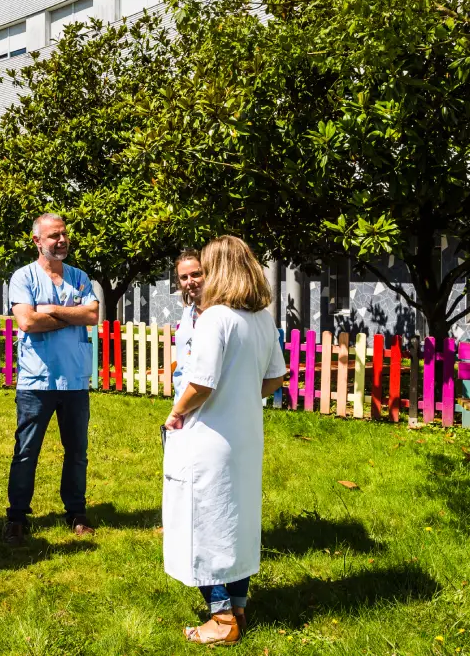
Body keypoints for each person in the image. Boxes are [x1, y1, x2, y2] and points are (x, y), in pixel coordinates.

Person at [162, 236, 286, 645]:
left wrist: (177, 412)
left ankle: (221, 620)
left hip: (208, 437)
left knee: (205, 522)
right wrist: (243, 394)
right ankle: (239, 607)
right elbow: (273, 379)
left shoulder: (215, 318)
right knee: (237, 520)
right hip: (246, 434)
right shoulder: (263, 318)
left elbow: (201, 382)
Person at [3, 213, 100, 545]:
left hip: (74, 380)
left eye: (64, 234)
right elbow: (27, 322)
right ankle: (16, 516)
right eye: (53, 236)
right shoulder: (23, 277)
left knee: (77, 450)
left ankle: (76, 512)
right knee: (26, 450)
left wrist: (52, 310)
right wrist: (70, 316)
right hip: (37, 381)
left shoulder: (79, 277)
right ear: (37, 241)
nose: (61, 240)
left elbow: (92, 314)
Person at [171, 248, 204, 401]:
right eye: (184, 277)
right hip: (182, 398)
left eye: (196, 274)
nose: (190, 281)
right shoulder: (187, 314)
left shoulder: (220, 314)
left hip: (208, 402)